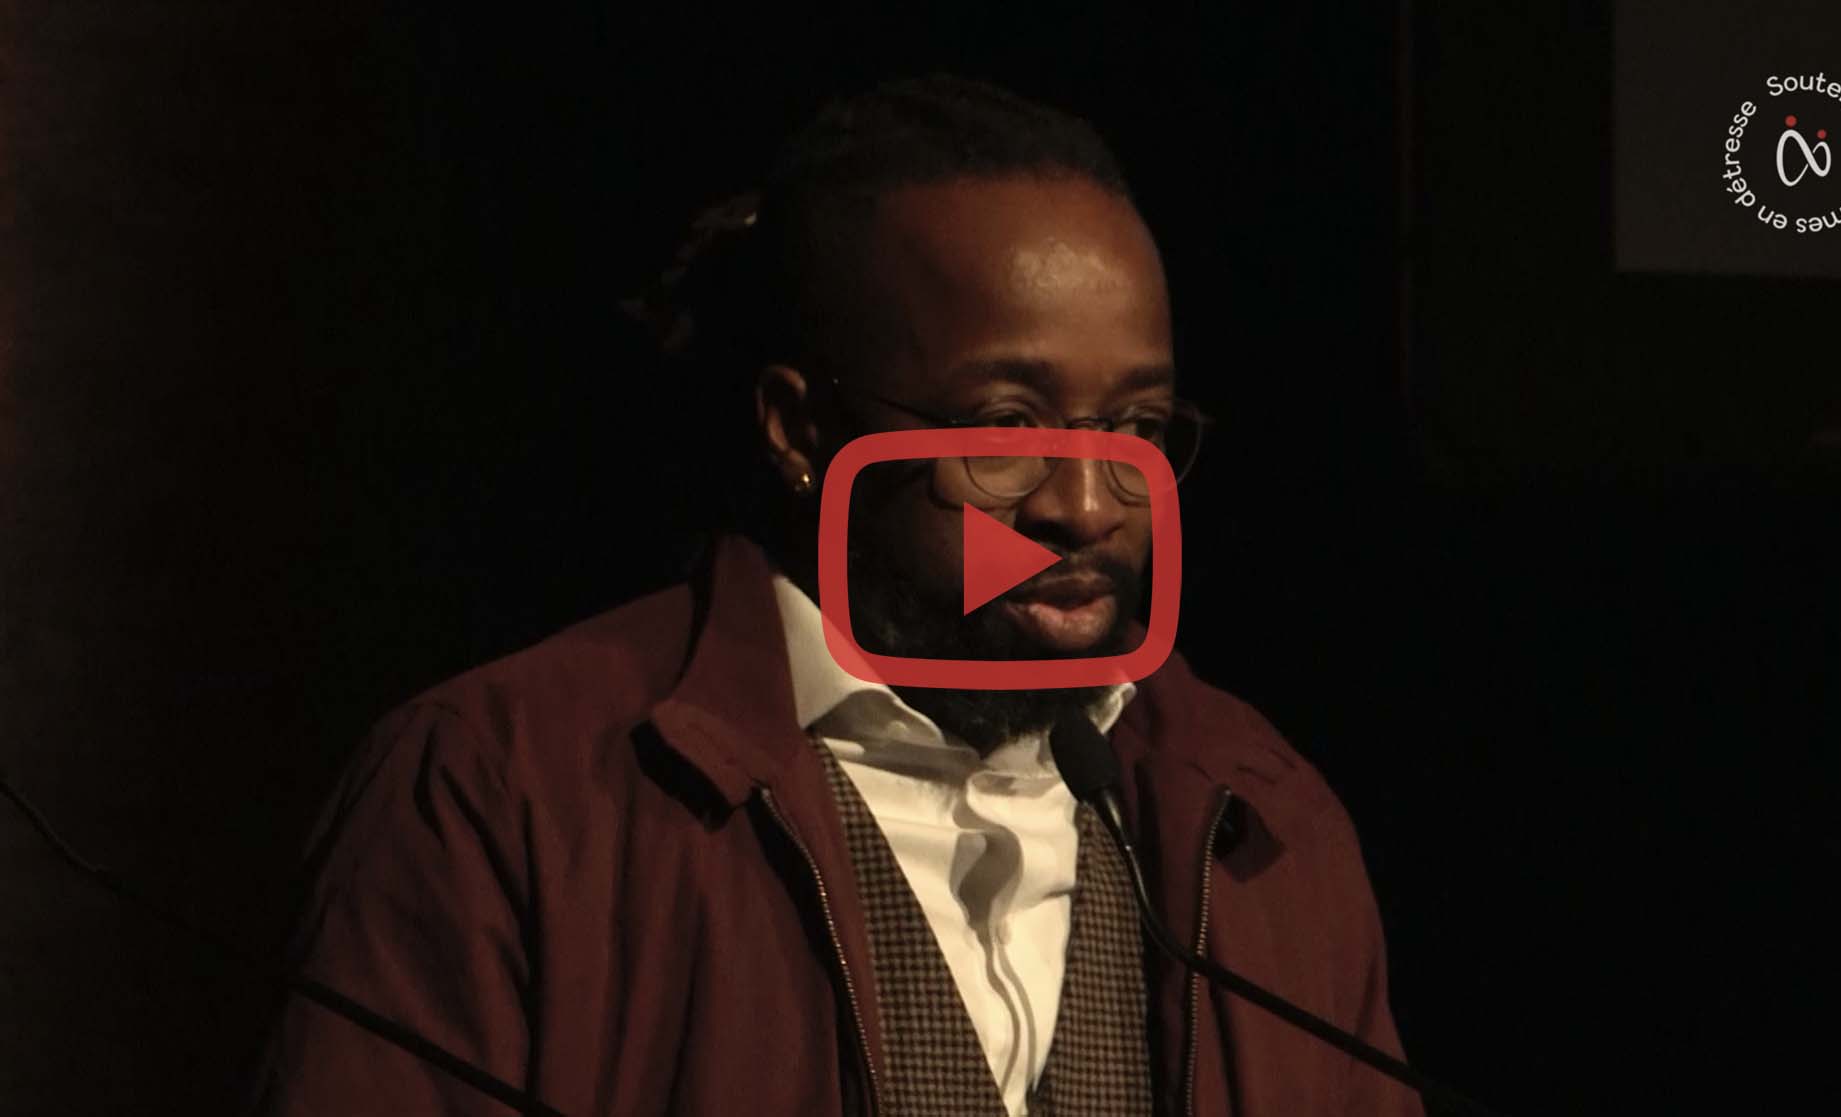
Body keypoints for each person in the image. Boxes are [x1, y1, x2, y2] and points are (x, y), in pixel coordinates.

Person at [249, 74, 1419, 1116]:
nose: (1083, 502)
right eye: (1004, 424)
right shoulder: (503, 790)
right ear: (800, 429)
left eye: (1134, 428)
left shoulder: (1261, 826)